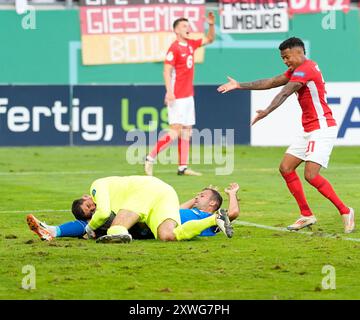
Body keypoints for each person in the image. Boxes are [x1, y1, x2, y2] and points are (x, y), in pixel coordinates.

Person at [217, 37, 355, 233]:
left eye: (286, 56)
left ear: (299, 52)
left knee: (311, 175)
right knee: (286, 168)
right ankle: (306, 215)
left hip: (322, 128)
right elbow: (272, 82)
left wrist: (266, 111)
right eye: (283, 58)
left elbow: (285, 92)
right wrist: (239, 85)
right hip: (309, 129)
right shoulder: (296, 70)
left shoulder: (307, 69)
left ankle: (345, 210)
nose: (285, 61)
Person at [26, 183, 240, 242]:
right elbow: (174, 211)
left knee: (105, 225)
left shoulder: (204, 219)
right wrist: (194, 199)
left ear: (213, 204)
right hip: (152, 218)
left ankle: (53, 230)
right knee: (102, 225)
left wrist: (232, 193)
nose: (198, 196)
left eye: (203, 196)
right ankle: (52, 230)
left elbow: (233, 214)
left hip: (148, 224)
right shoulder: (187, 211)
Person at [144, 12, 216, 177]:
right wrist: (169, 92)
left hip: (189, 95)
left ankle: (182, 167)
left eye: (188, 25)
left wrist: (211, 25)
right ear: (176, 30)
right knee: (175, 131)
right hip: (177, 96)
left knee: (186, 131)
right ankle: (150, 157)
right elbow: (166, 71)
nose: (187, 28)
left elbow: (210, 39)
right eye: (184, 26)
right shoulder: (174, 48)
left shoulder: (191, 44)